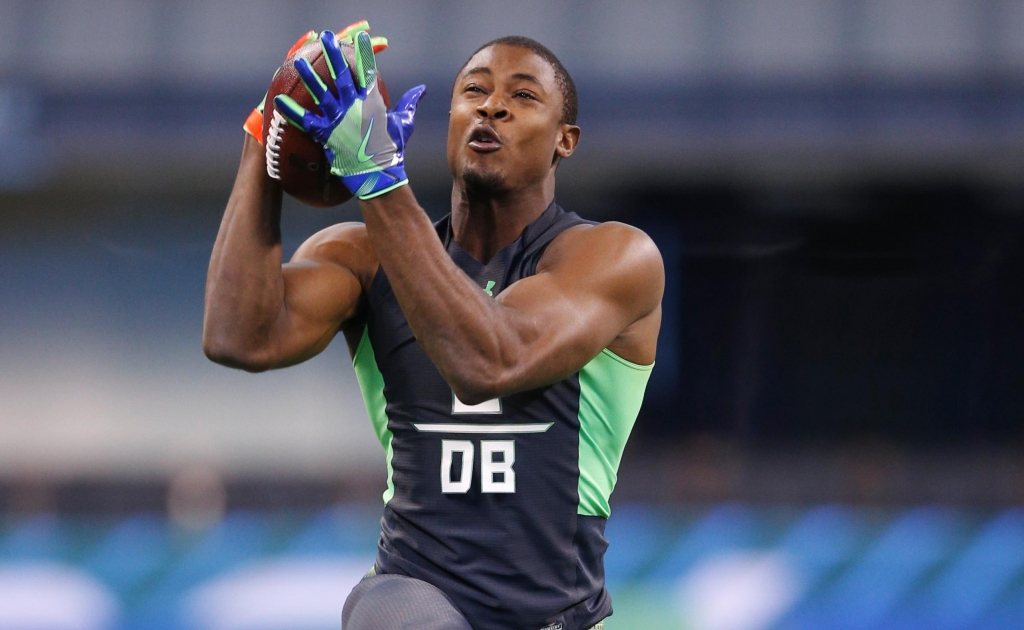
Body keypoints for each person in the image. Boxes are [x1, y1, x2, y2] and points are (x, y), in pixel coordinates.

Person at [203, 21, 663, 630]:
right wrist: (267, 136)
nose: (492, 105)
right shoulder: (363, 257)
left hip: (559, 615)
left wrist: (378, 177)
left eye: (523, 96)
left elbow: (489, 361)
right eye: (474, 91)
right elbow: (239, 335)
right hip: (412, 594)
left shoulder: (615, 259)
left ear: (565, 140)